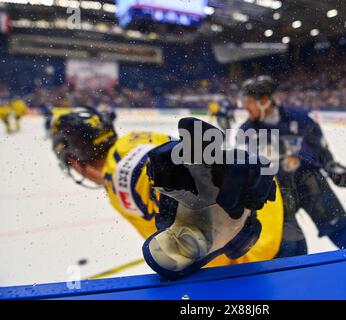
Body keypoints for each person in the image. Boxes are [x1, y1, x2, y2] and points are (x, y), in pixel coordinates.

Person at [50, 107, 283, 278]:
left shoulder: (117, 171)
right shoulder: (134, 138)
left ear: (74, 161)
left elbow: (141, 173)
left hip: (250, 260)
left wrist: (185, 181)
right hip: (264, 220)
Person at [238, 75, 346, 257]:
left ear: (264, 101)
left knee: (339, 228)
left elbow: (320, 149)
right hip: (277, 193)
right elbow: (248, 167)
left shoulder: (300, 118)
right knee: (290, 246)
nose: (244, 106)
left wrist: (332, 166)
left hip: (310, 182)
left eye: (248, 101)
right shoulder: (246, 131)